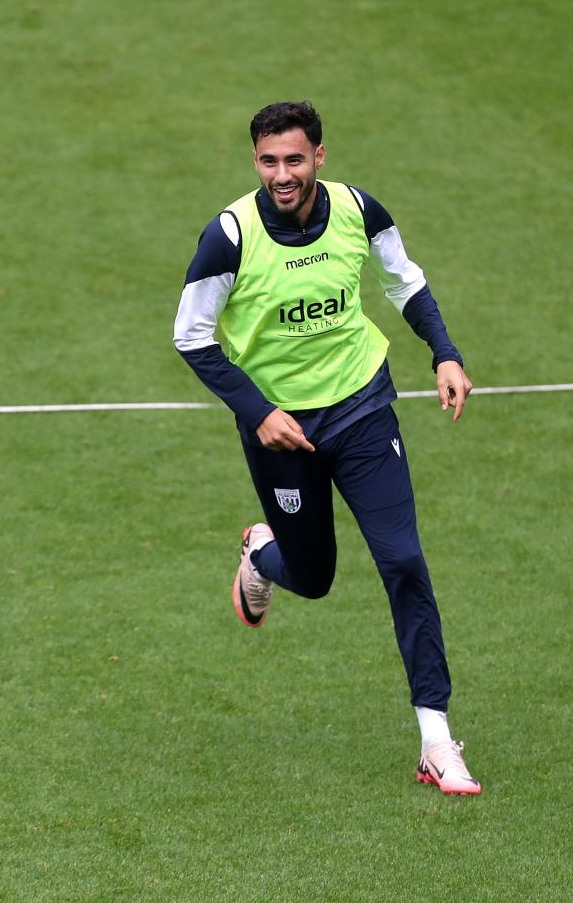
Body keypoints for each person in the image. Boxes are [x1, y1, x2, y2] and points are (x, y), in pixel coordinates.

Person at [172, 101, 481, 796]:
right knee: (312, 576)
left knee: (403, 559)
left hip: (364, 407)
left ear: (319, 156)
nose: (283, 174)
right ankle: (262, 553)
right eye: (268, 161)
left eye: (295, 159)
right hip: (283, 431)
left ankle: (436, 738)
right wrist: (258, 411)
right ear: (256, 161)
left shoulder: (358, 210)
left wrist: (444, 353)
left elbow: (405, 280)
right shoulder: (229, 236)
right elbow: (190, 335)